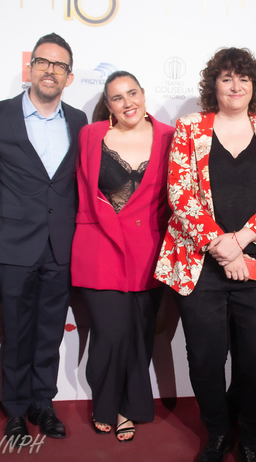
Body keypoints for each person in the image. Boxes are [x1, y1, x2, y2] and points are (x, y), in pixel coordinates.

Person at [155, 47, 256, 462]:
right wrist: (222, 246)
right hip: (201, 265)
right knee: (204, 357)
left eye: (244, 79)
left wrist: (242, 240)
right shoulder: (189, 128)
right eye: (226, 78)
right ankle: (218, 432)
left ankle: (251, 436)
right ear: (212, 85)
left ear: (254, 86)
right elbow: (180, 195)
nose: (235, 86)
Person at [0, 33, 88, 441]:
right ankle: (14, 409)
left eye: (59, 66)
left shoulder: (79, 121)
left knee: (49, 332)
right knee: (16, 332)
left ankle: (43, 404)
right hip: (13, 244)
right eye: (43, 62)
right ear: (30, 67)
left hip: (61, 247)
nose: (50, 70)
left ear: (69, 76)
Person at [71, 71, 174, 442]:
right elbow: (81, 188)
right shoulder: (91, 135)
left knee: (140, 333)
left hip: (148, 249)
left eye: (133, 93)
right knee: (110, 333)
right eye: (117, 97)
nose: (127, 102)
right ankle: (107, 403)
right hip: (99, 246)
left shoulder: (170, 136)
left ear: (144, 95)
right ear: (108, 105)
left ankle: (129, 405)